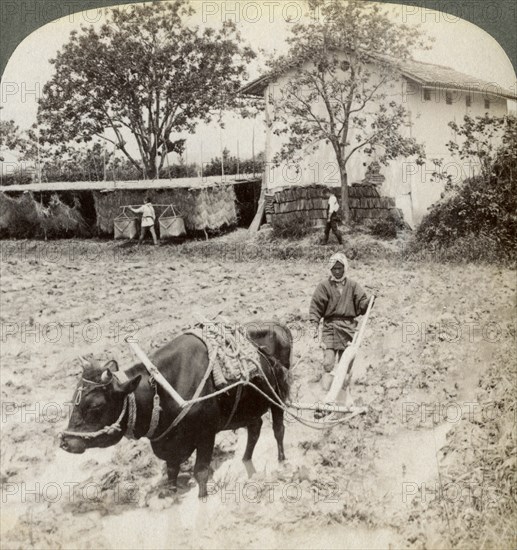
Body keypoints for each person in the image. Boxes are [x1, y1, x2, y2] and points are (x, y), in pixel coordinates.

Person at [309, 252, 369, 390]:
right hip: (329, 327)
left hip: (347, 328)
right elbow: (316, 307)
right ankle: (325, 392)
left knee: (345, 363)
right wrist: (314, 324)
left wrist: (368, 302)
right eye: (334, 269)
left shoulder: (353, 286)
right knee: (328, 362)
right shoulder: (324, 286)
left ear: (345, 268)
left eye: (339, 268)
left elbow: (362, 304)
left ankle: (343, 390)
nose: (337, 271)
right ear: (330, 269)